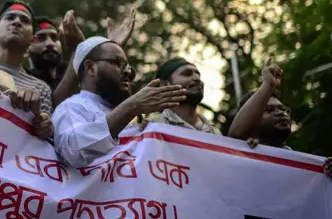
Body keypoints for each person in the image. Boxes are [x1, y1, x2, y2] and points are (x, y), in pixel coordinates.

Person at [53, 37, 186, 168]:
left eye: (128, 66)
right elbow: (73, 152)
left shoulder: (130, 116)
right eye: (118, 63)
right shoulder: (71, 107)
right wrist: (131, 107)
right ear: (90, 68)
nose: (128, 71)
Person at [228, 60, 332, 177]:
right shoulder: (236, 158)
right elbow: (236, 133)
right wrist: (268, 85)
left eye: (283, 109)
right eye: (270, 110)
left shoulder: (308, 170)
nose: (281, 113)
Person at [0, 1, 54, 139]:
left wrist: (44, 125)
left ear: (33, 39)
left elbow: (44, 141)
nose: (17, 22)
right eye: (10, 18)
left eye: (25, 20)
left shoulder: (41, 88)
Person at [145, 57, 221, 135]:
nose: (197, 78)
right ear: (165, 85)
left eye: (198, 74)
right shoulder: (152, 128)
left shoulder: (215, 132)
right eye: (187, 74)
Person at [26, 17, 65, 90]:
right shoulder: (20, 83)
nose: (50, 43)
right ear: (26, 50)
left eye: (54, 38)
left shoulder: (79, 81)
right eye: (41, 38)